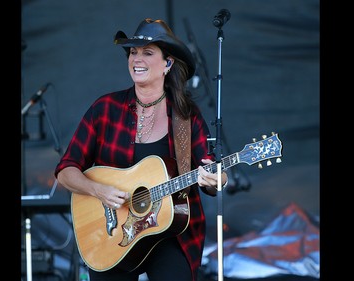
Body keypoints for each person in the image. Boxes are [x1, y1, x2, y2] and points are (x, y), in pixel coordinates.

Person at [54, 18, 228, 281]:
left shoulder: (185, 115)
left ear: (167, 64)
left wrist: (217, 178)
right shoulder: (105, 108)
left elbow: (209, 169)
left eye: (147, 53)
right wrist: (98, 190)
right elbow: (65, 170)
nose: (137, 59)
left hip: (170, 233)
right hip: (110, 236)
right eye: (133, 52)